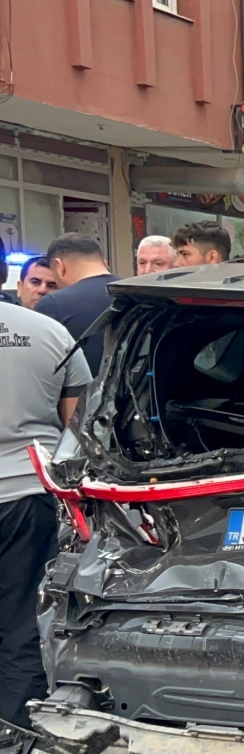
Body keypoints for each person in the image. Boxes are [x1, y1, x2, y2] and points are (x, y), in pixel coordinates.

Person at [0, 300, 91, 728]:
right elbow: (76, 427)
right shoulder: (49, 331)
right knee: (21, 618)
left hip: (26, 493)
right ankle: (17, 729)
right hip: (26, 493)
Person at [35, 232, 119, 376]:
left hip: (79, 397)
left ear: (59, 266)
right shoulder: (141, 295)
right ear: (104, 263)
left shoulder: (53, 305)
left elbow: (41, 371)